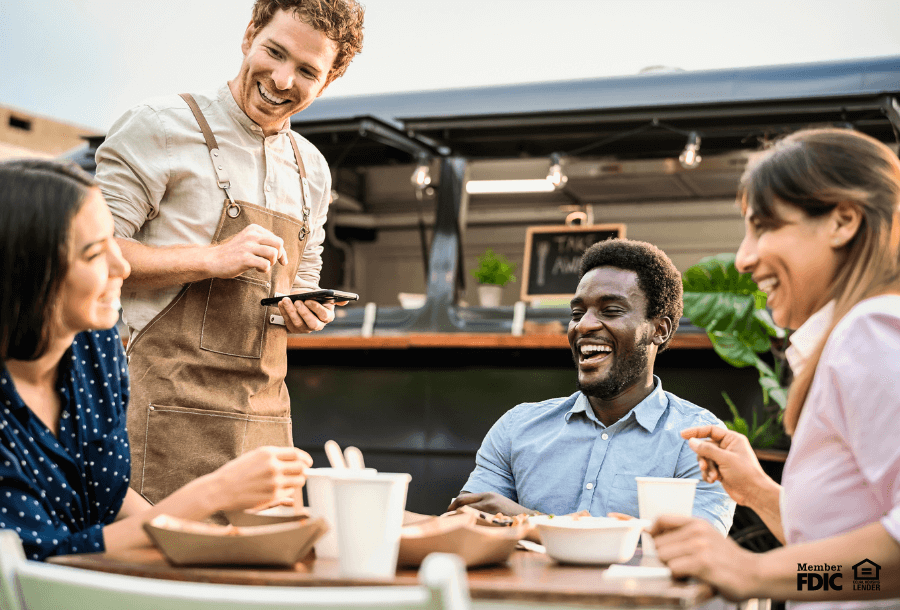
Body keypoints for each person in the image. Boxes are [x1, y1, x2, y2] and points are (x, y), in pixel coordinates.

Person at [93, 0, 364, 504]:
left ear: (327, 81)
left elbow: (302, 275)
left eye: (307, 70)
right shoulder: (158, 126)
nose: (283, 80)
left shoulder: (314, 170)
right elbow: (90, 258)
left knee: (265, 575)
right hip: (160, 415)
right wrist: (211, 259)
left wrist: (304, 307)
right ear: (249, 35)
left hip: (264, 425)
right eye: (275, 52)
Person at [0, 159, 313, 561]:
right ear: (26, 271)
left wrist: (207, 543)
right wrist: (212, 493)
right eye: (96, 254)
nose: (123, 266)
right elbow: (39, 560)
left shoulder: (94, 347)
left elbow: (106, 496)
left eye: (116, 242)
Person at [650, 128, 900, 606]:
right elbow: (859, 576)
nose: (743, 258)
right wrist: (760, 492)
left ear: (842, 221)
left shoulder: (871, 331)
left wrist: (753, 570)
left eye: (763, 226)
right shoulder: (856, 336)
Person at [449, 239, 736, 534]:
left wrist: (534, 523)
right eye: (576, 314)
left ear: (659, 330)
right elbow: (466, 527)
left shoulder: (698, 442)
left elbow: (695, 550)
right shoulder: (517, 429)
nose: (583, 326)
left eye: (610, 310)